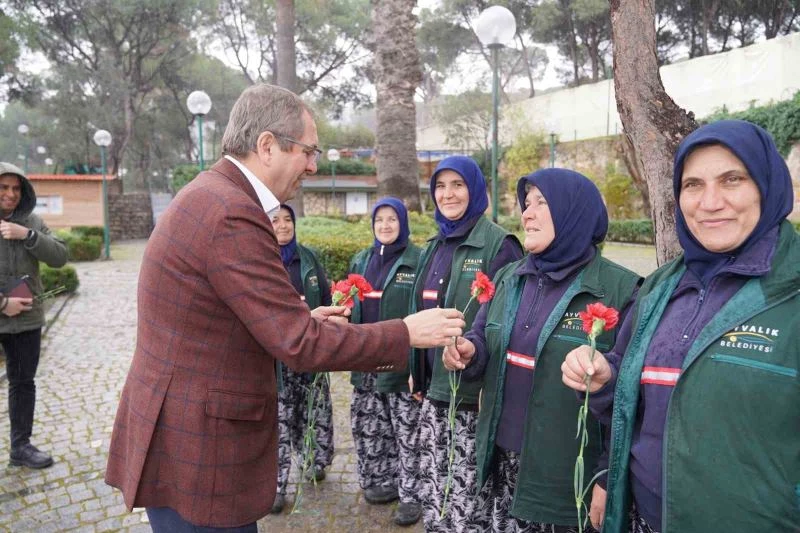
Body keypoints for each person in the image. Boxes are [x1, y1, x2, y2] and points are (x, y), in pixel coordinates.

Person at [104, 83, 466, 533]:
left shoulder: (212, 193)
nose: (314, 165)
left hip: (180, 432)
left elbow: (230, 317)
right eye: (309, 151)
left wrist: (301, 318)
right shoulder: (233, 213)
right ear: (268, 146)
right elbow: (300, 346)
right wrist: (406, 333)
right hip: (200, 451)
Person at [561, 119, 799, 533]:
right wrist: (603, 379)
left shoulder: (790, 291)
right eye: (692, 184)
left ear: (767, 185)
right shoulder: (660, 288)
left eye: (732, 179)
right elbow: (631, 403)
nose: (709, 202)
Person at [443, 169, 641, 533]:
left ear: (573, 212)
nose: (527, 213)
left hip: (565, 479)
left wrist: (605, 475)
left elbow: (632, 399)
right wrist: (468, 352)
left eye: (542, 202)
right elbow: (483, 338)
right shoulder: (509, 277)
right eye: (526, 203)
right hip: (503, 461)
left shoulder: (622, 291)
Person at [410, 156, 523, 533]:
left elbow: (502, 319)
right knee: (436, 486)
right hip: (434, 394)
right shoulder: (435, 245)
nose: (448, 194)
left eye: (457, 184)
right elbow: (418, 312)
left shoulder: (499, 245)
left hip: (471, 396)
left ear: (476, 189)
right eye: (440, 186)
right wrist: (417, 371)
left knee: (468, 499)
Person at [348, 197, 423, 526]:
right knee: (371, 426)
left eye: (392, 219)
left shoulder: (417, 260)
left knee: (407, 429)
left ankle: (412, 494)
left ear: (403, 222)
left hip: (400, 363)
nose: (385, 225)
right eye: (379, 219)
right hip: (365, 360)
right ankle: (381, 481)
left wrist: (418, 365)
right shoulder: (361, 259)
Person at [0, 162, 68, 470]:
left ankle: (21, 447)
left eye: (16, 188)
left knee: (23, 383)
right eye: (4, 188)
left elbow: (60, 256)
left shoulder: (32, 221)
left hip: (27, 321)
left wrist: (27, 234)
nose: (10, 194)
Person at [270, 204, 334, 514]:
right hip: (276, 361)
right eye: (275, 220)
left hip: (309, 355)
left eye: (287, 220)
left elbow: (326, 298)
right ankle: (277, 486)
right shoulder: (262, 260)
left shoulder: (307, 258)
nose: (282, 226)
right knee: (279, 423)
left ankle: (313, 462)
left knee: (312, 411)